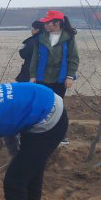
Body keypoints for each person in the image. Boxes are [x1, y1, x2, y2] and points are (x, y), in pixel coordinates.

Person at [29, 10, 78, 145]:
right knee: (42, 105)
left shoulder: (68, 38)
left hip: (59, 79)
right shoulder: (40, 38)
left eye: (48, 22)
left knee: (58, 107)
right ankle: (40, 133)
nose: (45, 24)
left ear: (57, 23)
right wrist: (33, 76)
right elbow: (34, 58)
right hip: (42, 78)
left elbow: (73, 58)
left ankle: (61, 135)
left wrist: (70, 76)